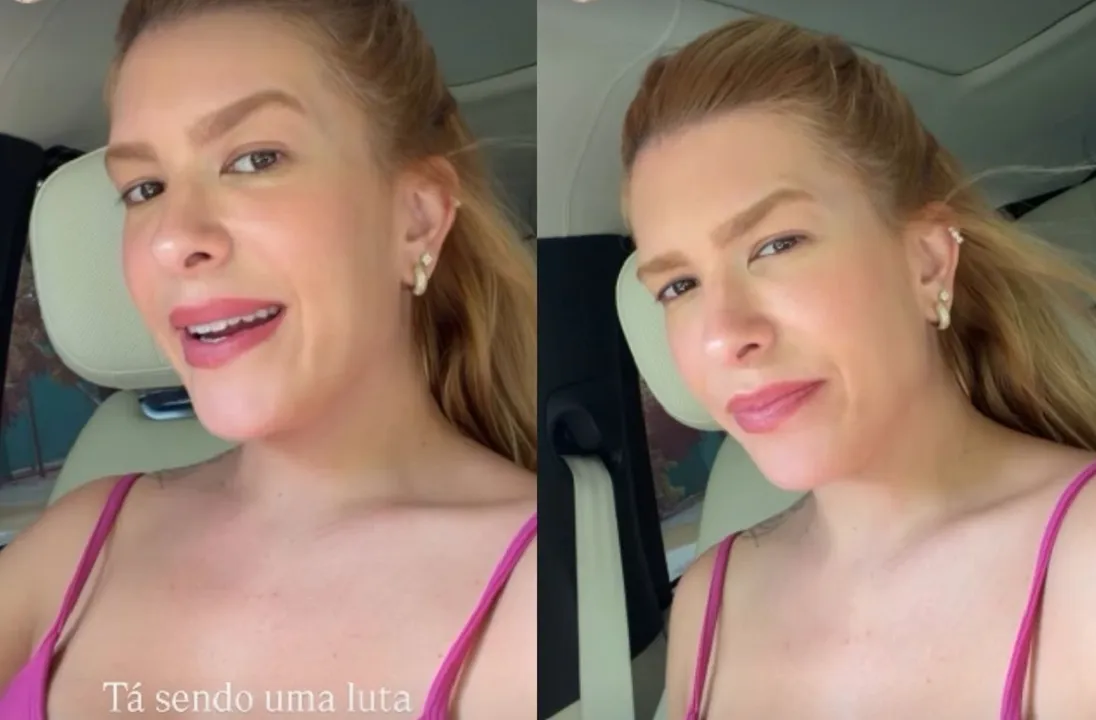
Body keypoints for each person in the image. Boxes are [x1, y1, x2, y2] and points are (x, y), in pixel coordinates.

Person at [0, 1, 536, 718]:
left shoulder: (541, 596)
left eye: (254, 159)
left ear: (416, 218)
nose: (171, 238)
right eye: (144, 189)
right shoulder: (77, 542)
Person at [620, 16, 1096, 720]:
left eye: (776, 245)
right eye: (679, 286)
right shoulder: (707, 604)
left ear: (926, 262)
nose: (724, 337)